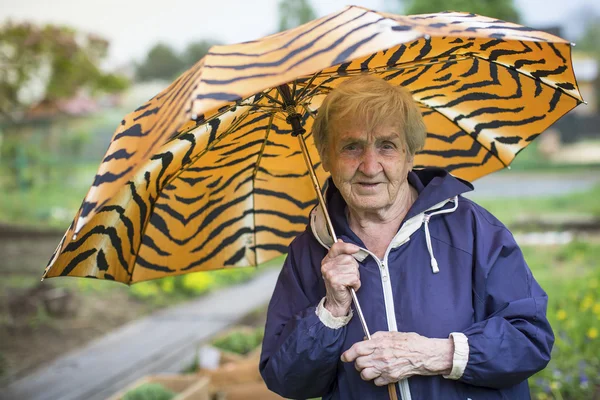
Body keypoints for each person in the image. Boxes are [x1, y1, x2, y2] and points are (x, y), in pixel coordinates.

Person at [259, 75, 553, 399]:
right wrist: (330, 311)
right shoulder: (309, 254)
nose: (370, 167)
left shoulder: (472, 229)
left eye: (387, 145)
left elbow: (530, 339)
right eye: (351, 147)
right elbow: (285, 379)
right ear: (326, 158)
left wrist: (433, 356)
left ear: (410, 155)